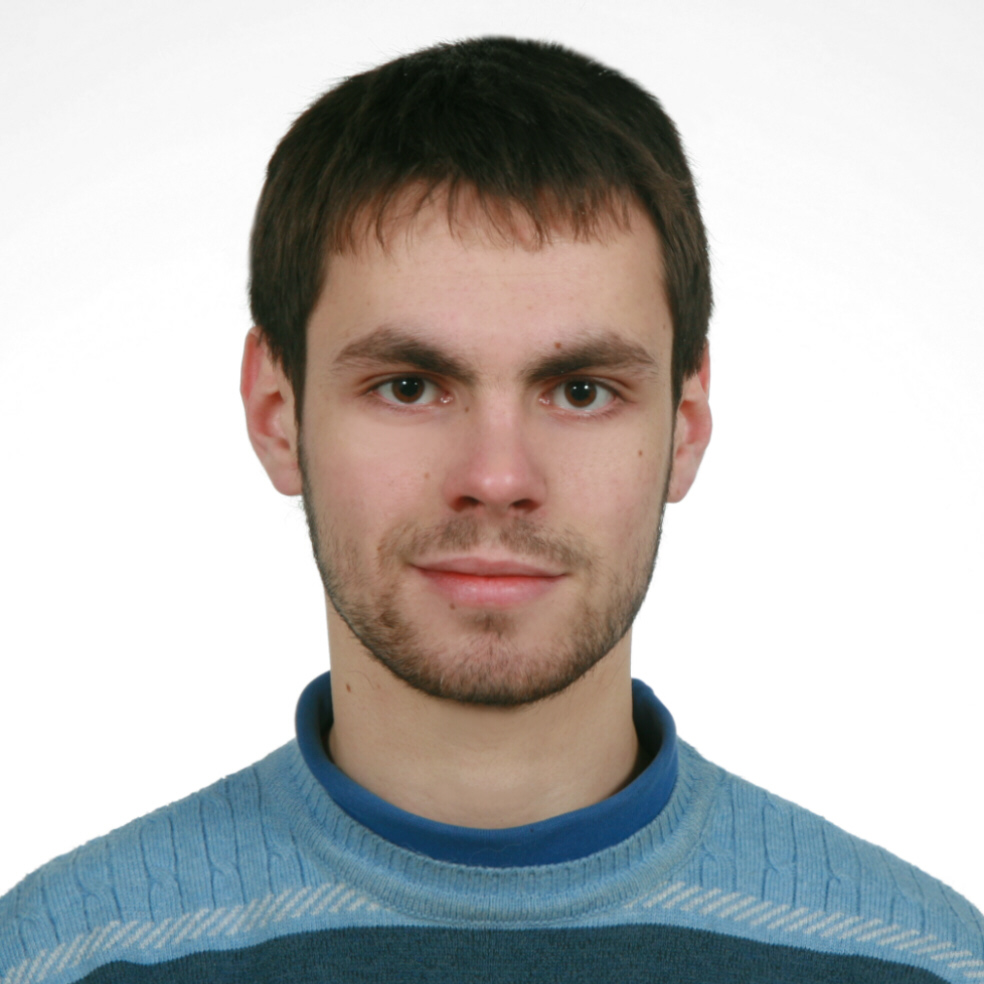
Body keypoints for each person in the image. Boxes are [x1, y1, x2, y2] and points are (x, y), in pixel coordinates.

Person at [1, 34, 981, 984]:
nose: (498, 476)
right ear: (275, 413)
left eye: (582, 390)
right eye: (410, 386)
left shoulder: (922, 963)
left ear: (685, 428)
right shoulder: (60, 959)